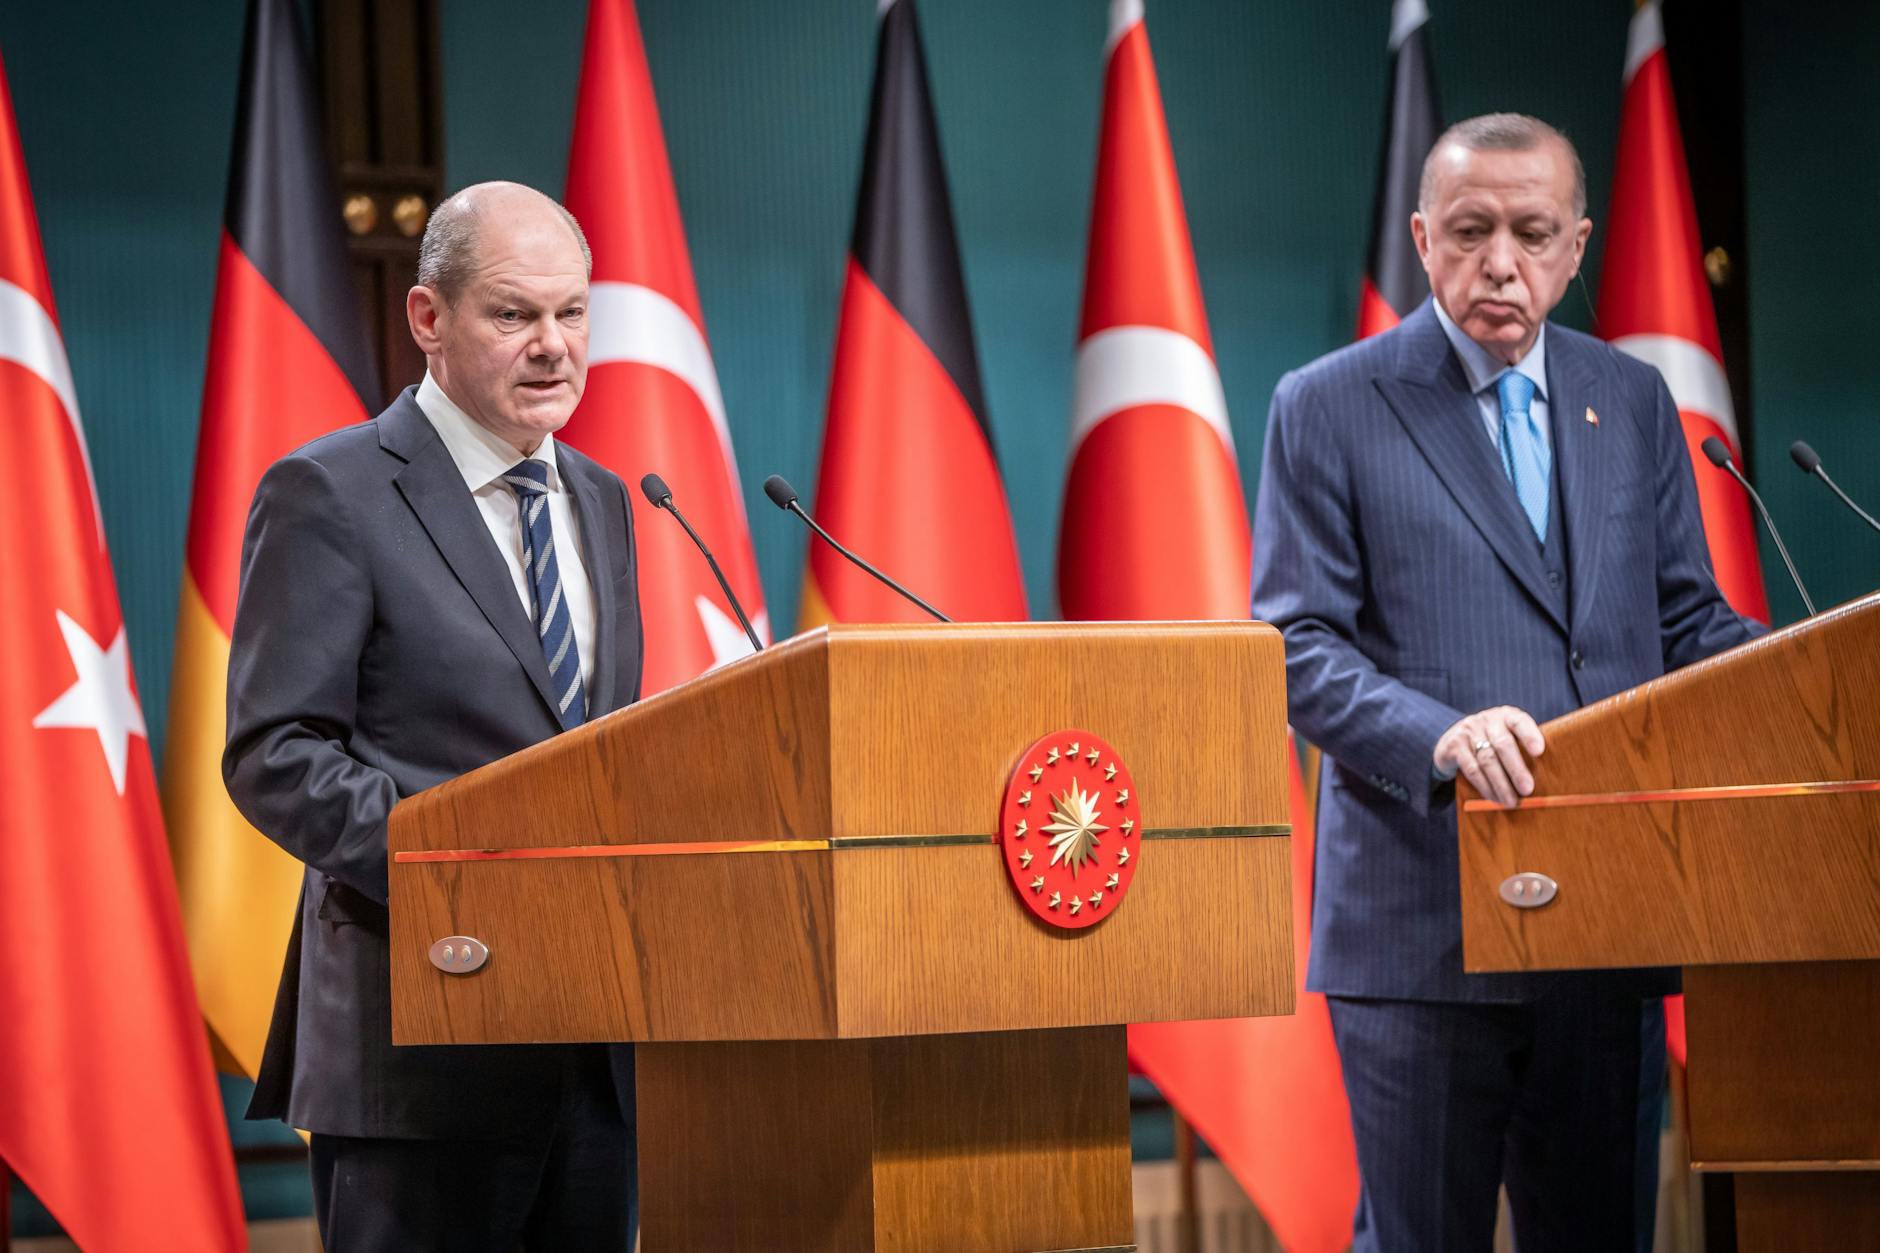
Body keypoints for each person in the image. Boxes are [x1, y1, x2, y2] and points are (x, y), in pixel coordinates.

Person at [1251, 114, 1758, 1251]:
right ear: (1422, 239)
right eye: (1471, 230)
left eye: (1531, 234)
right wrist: (1436, 736)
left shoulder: (1631, 397)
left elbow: (1684, 620)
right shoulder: (1328, 403)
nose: (1499, 263)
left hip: (1605, 920)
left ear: (1575, 248)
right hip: (1421, 923)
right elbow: (1296, 642)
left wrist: (1807, 675)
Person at [224, 181, 644, 1251]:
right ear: (428, 318)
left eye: (572, 312)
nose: (553, 345)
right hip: (418, 1050)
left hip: (594, 1054)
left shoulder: (605, 498)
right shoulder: (332, 492)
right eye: (513, 314)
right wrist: (467, 865)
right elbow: (276, 752)